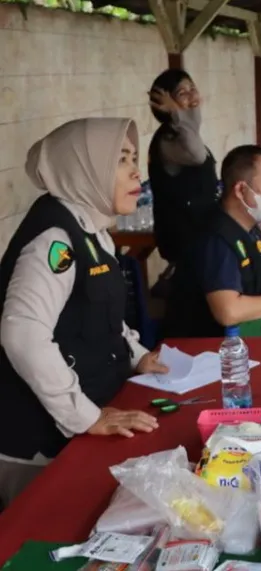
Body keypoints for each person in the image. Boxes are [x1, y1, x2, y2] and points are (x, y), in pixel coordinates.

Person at [0, 118, 168, 507]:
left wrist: (138, 356)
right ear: (82, 168)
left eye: (133, 158)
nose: (135, 171)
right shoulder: (56, 239)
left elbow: (105, 314)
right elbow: (22, 333)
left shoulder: (93, 230)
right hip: (39, 447)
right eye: (120, 159)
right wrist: (87, 418)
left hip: (80, 422)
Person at [163, 145, 261, 338]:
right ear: (241, 189)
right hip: (205, 347)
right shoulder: (215, 238)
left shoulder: (249, 225)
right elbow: (228, 312)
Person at [148, 69, 220, 271]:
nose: (192, 95)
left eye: (193, 89)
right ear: (166, 104)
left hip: (200, 235)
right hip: (185, 239)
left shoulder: (187, 132)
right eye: (182, 93)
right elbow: (197, 156)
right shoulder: (170, 138)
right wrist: (177, 114)